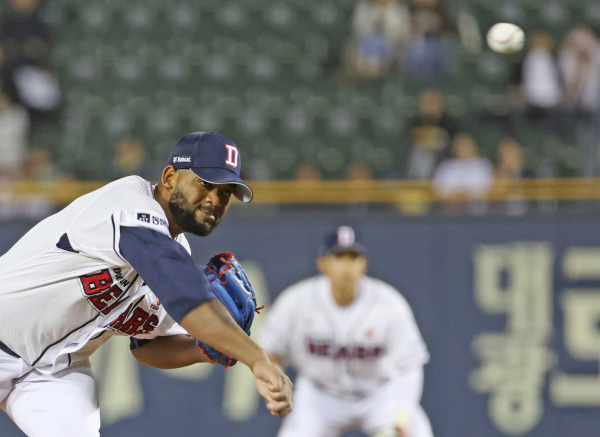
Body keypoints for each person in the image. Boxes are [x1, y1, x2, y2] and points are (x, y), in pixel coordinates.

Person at [0, 131, 293, 436]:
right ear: (169, 177)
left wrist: (206, 348)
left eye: (225, 193)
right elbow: (186, 297)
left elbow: (146, 347)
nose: (215, 200)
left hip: (55, 370)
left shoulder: (176, 252)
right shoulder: (129, 206)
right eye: (206, 184)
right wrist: (257, 359)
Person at [260, 225, 433, 437]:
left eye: (354, 258)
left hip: (379, 393)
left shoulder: (389, 303)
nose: (347, 266)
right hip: (319, 396)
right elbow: (268, 348)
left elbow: (410, 366)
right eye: (339, 257)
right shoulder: (297, 301)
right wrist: (276, 381)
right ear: (322, 264)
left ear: (364, 265)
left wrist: (401, 416)